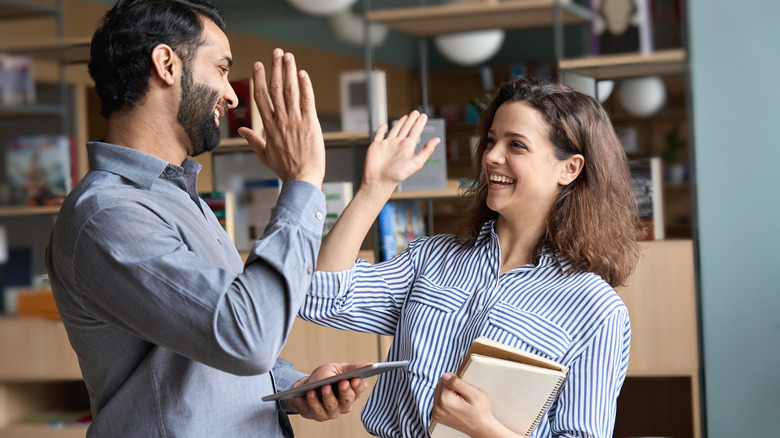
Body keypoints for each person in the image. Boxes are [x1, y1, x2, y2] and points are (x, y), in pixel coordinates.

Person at [45, 0, 370, 436]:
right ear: (166, 65)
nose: (232, 93)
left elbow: (213, 342)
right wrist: (302, 182)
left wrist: (294, 387)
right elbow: (246, 336)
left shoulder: (179, 196)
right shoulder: (107, 214)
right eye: (220, 68)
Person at [299, 77, 641, 437]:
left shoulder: (597, 310)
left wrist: (484, 429)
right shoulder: (432, 259)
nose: (491, 156)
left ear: (569, 169)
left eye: (517, 145)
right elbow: (321, 296)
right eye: (492, 140)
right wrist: (376, 187)